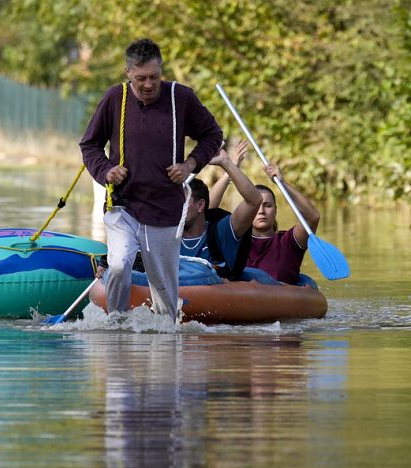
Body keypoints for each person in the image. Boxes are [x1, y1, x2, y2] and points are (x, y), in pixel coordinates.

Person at [80, 38, 223, 322]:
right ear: (127, 73)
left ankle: (167, 342)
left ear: (162, 71)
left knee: (164, 293)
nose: (148, 84)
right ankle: (115, 327)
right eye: (140, 78)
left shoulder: (180, 98)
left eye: (154, 77)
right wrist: (107, 170)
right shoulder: (114, 98)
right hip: (123, 204)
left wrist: (190, 165)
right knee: (119, 266)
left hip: (165, 208)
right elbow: (89, 145)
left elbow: (213, 135)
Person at [180, 140, 261, 279]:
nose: (174, 207)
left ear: (200, 205)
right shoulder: (167, 233)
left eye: (182, 202)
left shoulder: (222, 232)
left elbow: (254, 201)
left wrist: (226, 163)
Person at [245, 163, 321, 285]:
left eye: (267, 206)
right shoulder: (236, 243)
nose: (261, 211)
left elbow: (312, 217)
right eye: (256, 206)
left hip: (281, 299)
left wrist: (282, 183)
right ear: (247, 211)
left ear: (275, 210)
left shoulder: (288, 242)